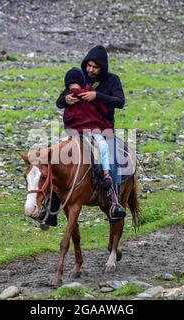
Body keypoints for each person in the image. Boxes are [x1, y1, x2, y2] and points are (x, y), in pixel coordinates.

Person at [55, 45, 127, 221]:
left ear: (102, 67)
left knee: (112, 154)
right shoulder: (79, 78)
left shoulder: (112, 80)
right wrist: (66, 99)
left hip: (104, 128)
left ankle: (115, 200)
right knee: (56, 155)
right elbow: (59, 101)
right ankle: (52, 203)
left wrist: (97, 96)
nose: (90, 70)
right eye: (88, 66)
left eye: (95, 67)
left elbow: (120, 102)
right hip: (78, 128)